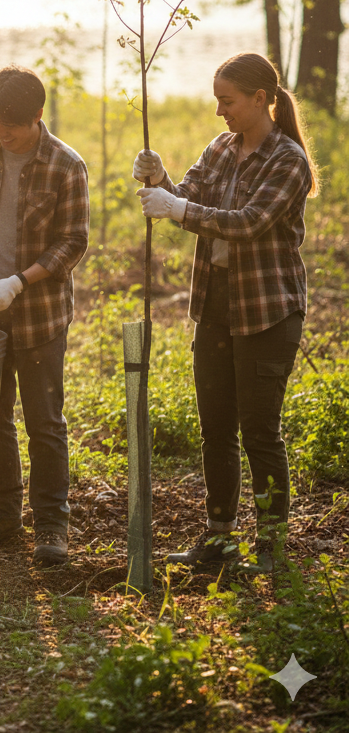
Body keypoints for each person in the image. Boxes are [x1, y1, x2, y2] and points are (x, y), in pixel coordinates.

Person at [134, 52, 318, 576]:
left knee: (259, 431)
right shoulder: (221, 147)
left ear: (261, 99)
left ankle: (271, 548)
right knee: (215, 430)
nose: (220, 111)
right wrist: (161, 180)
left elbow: (248, 223)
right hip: (215, 307)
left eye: (228, 101)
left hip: (267, 312)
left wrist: (178, 209)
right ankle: (219, 537)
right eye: (217, 100)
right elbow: (188, 196)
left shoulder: (288, 161)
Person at [0, 65, 89, 567]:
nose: (1, 133)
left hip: (39, 315)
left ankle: (51, 523)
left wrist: (19, 281)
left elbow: (73, 242)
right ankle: (2, 513)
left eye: (11, 125)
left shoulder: (66, 166)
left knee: (44, 422)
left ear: (37, 115)